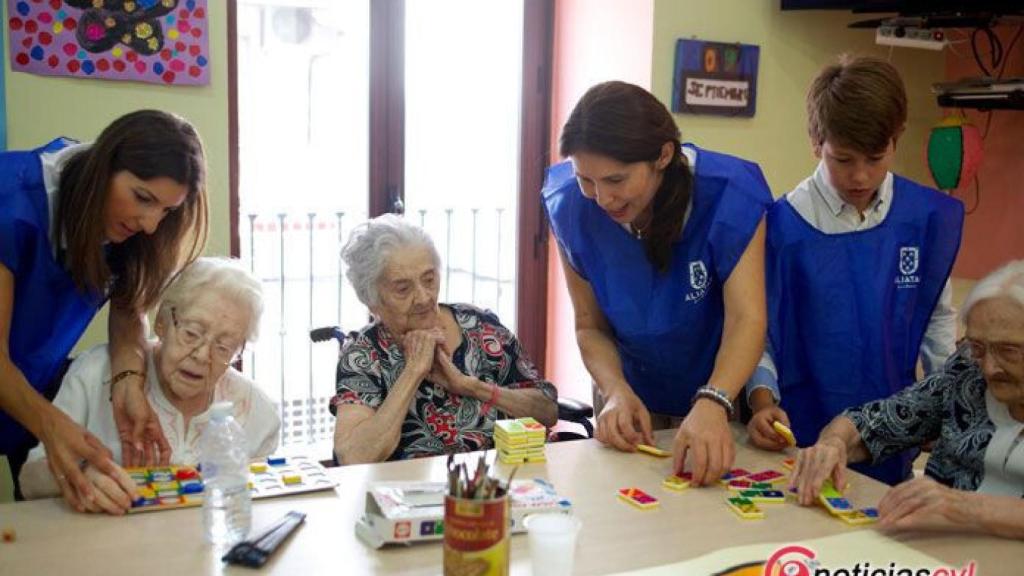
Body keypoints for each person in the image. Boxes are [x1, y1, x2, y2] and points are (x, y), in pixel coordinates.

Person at [543, 81, 773, 485]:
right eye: (586, 180)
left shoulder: (729, 195)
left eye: (616, 180)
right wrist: (613, 390)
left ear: (663, 155)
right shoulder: (569, 205)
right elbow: (589, 325)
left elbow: (747, 318)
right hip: (627, 394)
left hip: (718, 390)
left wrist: (715, 399)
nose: (602, 198)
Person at [748, 56, 964, 485]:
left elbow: (937, 322)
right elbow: (759, 332)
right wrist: (760, 400)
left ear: (896, 138)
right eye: (843, 160)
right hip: (798, 434)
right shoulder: (779, 226)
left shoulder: (924, 218)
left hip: (891, 435)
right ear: (816, 141)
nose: (860, 176)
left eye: (875, 157)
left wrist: (945, 409)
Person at [0, 110, 209, 508]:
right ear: (104, 166)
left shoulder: (128, 227)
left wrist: (127, 380)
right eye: (143, 198)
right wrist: (52, 426)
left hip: (27, 388)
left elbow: (129, 308)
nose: (150, 224)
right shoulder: (10, 204)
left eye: (165, 211)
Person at [18, 257, 280, 514]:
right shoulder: (95, 373)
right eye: (191, 333)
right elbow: (28, 481)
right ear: (162, 323)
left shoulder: (257, 411)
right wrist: (81, 475)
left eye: (224, 347)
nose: (202, 355)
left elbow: (261, 508)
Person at [788, 261, 1024, 539]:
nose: (988, 368)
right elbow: (881, 419)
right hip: (940, 551)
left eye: (1009, 350)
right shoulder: (967, 370)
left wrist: (964, 506)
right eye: (978, 347)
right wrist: (834, 443)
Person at [331, 214, 558, 464]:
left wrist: (471, 386)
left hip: (506, 480)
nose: (424, 297)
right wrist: (413, 371)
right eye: (403, 289)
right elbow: (353, 457)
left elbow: (548, 411)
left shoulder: (480, 327)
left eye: (429, 280)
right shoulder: (363, 355)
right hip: (415, 496)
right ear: (372, 299)